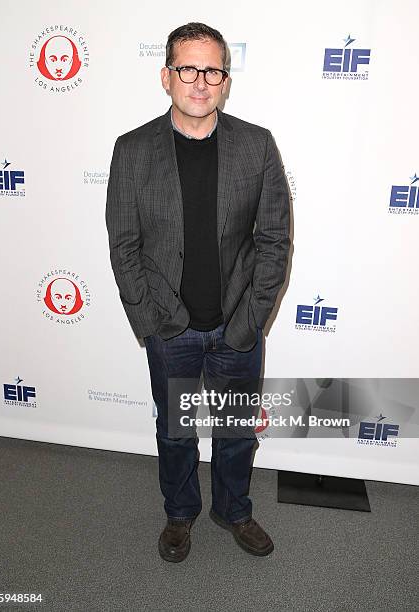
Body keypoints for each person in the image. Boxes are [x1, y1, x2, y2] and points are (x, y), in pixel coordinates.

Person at [105, 22, 290, 562]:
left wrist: (250, 319)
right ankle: (180, 512)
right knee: (176, 434)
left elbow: (275, 238)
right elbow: (125, 245)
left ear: (225, 80)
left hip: (237, 327)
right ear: (167, 77)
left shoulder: (256, 146)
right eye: (188, 69)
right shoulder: (132, 150)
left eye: (212, 70)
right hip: (171, 329)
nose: (201, 82)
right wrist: (150, 321)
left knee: (235, 435)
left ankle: (233, 508)